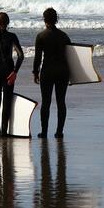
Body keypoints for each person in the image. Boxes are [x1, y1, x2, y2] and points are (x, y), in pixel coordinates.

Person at [32, 8, 71, 139]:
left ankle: (44, 132)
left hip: (47, 71)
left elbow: (37, 58)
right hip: (62, 71)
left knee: (46, 102)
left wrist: (35, 72)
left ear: (44, 19)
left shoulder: (41, 36)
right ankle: (59, 132)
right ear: (56, 19)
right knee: (61, 102)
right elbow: (71, 57)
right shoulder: (64, 36)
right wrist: (74, 75)